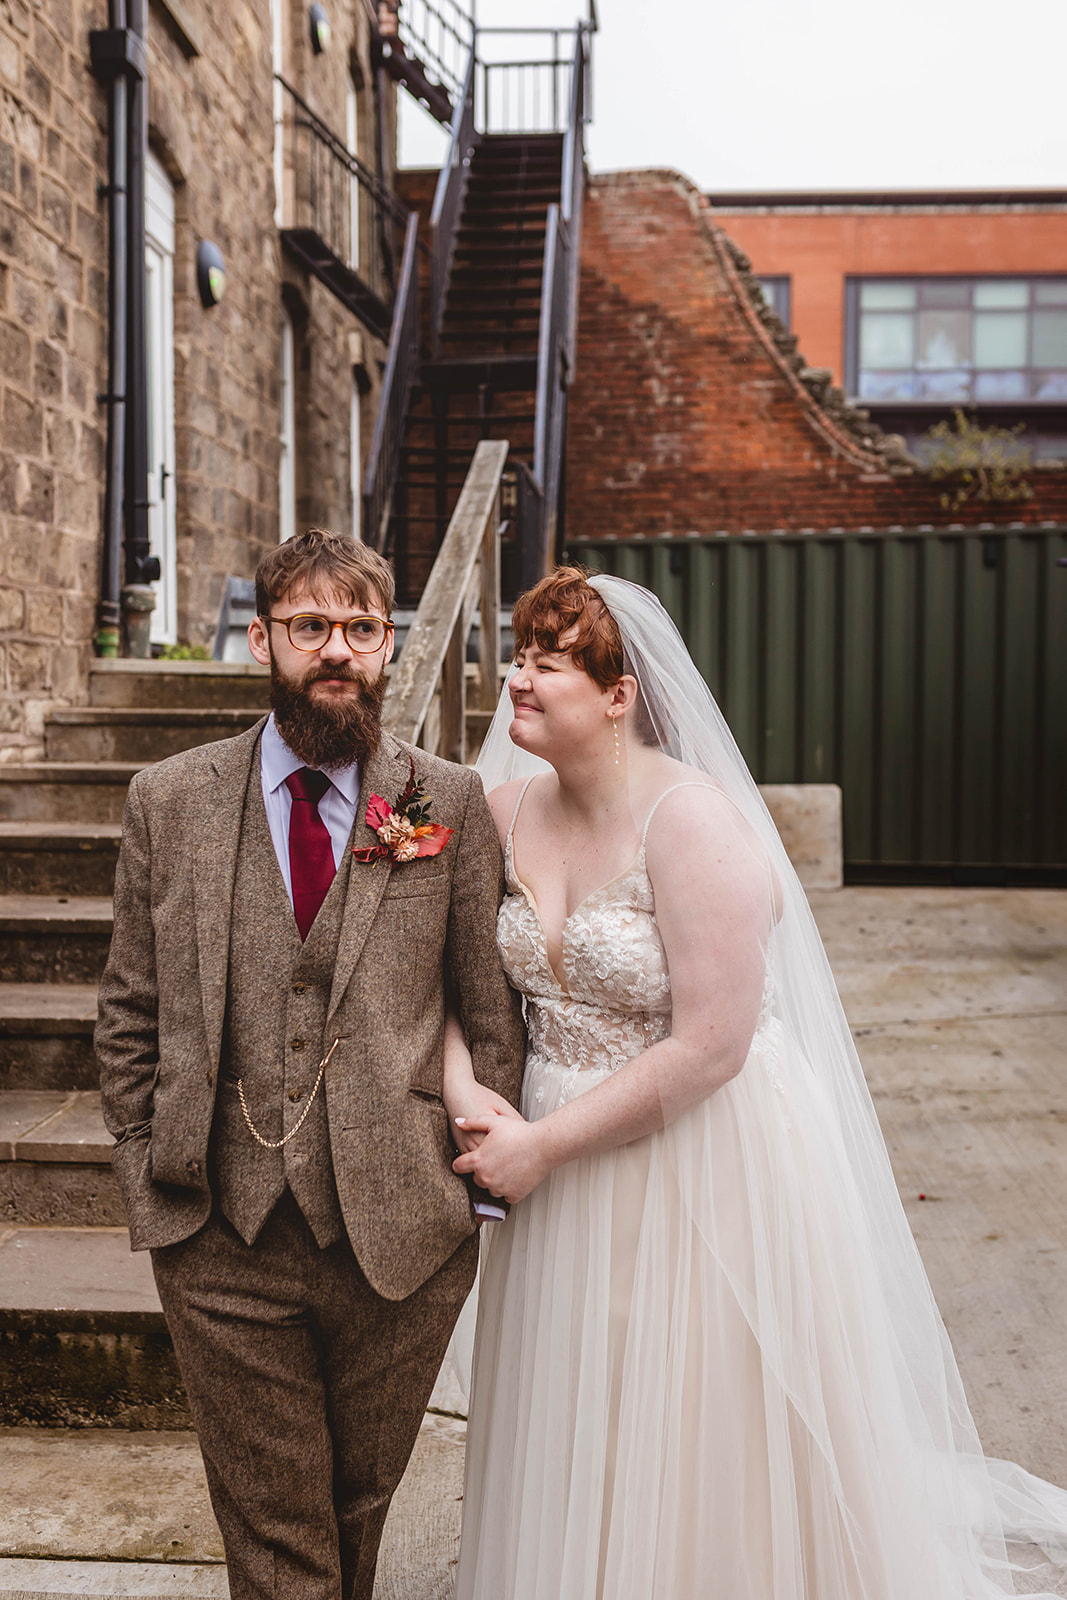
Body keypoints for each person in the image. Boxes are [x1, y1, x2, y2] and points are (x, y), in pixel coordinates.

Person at [446, 566, 1067, 1600]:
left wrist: (540, 1148)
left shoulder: (690, 823)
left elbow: (712, 1045)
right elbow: (441, 980)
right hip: (543, 1149)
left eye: (546, 664)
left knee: (696, 1404)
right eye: (518, 656)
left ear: (617, 694)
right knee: (578, 1394)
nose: (516, 679)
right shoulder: (500, 810)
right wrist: (468, 1091)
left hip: (697, 1149)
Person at [95, 528, 524, 1600]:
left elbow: (491, 1012)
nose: (337, 649)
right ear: (262, 641)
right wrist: (148, 1174)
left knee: (355, 1512)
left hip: (401, 1235)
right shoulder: (168, 798)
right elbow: (129, 1008)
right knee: (275, 1535)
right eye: (310, 626)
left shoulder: (445, 801)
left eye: (360, 628)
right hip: (217, 1234)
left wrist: (465, 1191)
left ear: (386, 646)